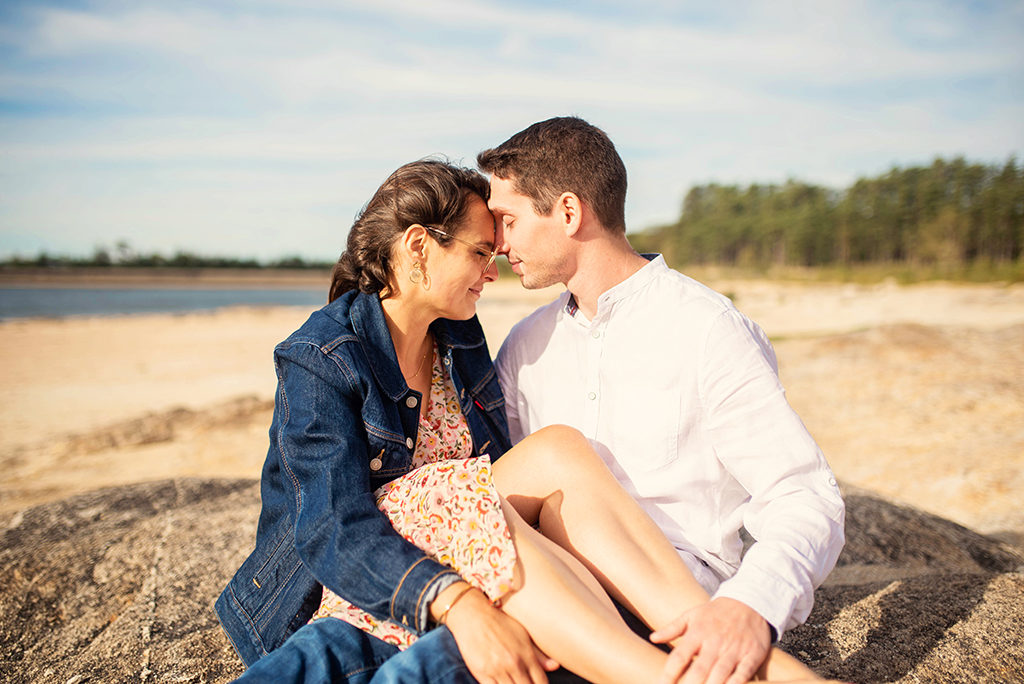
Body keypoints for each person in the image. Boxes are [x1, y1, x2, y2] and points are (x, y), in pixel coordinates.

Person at [215, 158, 830, 684]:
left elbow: (511, 486)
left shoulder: (459, 339)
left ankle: (736, 651)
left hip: (468, 548)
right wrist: (454, 600)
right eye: (481, 251)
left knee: (555, 452)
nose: (495, 266)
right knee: (465, 482)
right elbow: (331, 528)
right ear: (419, 248)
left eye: (497, 243)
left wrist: (743, 608)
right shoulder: (322, 357)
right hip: (371, 575)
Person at [479, 116, 847, 684]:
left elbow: (803, 493)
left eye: (509, 220)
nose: (500, 245)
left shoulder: (707, 329)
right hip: (560, 598)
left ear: (569, 213)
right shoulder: (525, 347)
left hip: (679, 598)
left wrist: (750, 606)